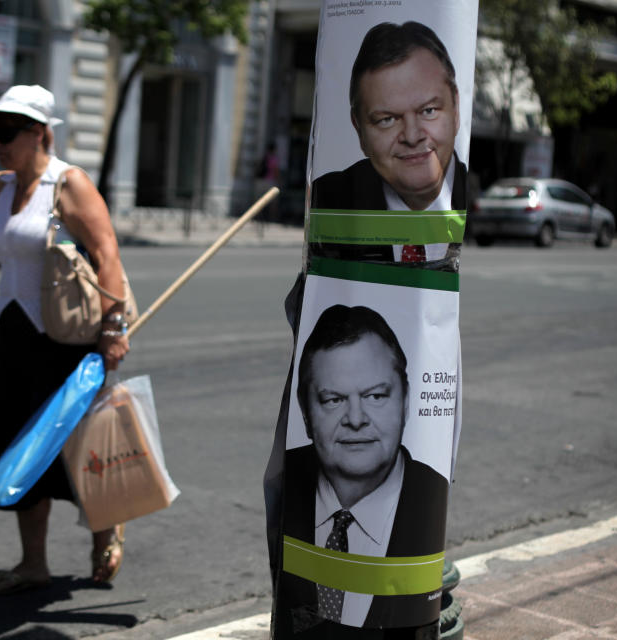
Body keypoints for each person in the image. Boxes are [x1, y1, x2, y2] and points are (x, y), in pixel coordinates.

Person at [0, 84, 131, 595]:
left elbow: (107, 255)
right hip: (11, 337)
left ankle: (105, 532)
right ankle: (32, 562)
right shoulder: (2, 186)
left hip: (63, 340)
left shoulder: (69, 184)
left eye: (7, 131)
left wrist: (113, 330)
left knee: (79, 450)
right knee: (23, 453)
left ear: (39, 132)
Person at [276, 304, 448, 633]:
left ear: (406, 401)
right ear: (305, 411)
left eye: (375, 396)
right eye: (333, 400)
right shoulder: (287, 480)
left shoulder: (430, 496)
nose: (356, 419)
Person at [310, 22, 467, 267]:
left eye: (428, 110)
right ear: (359, 129)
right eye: (387, 120)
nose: (412, 136)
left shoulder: (492, 213)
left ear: (456, 108)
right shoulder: (330, 199)